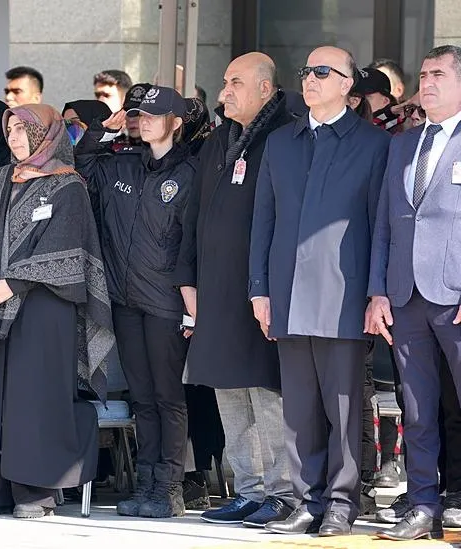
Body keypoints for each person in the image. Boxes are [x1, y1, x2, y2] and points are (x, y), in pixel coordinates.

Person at [250, 46, 390, 536]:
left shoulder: (373, 145)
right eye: (306, 71)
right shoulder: (281, 143)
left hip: (343, 294)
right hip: (286, 291)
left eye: (322, 71)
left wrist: (377, 291)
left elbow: (380, 226)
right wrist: (259, 290)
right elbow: (262, 220)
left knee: (344, 405)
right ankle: (307, 499)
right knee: (298, 407)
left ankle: (341, 502)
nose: (309, 78)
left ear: (348, 83)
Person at [0, 103, 115, 520]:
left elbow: (66, 243)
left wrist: (15, 282)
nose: (14, 137)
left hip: (44, 308)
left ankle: (34, 492)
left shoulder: (68, 186)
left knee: (34, 398)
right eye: (10, 130)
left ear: (46, 134)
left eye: (23, 130)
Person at [175, 52, 296, 528]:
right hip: (214, 290)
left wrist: (267, 287)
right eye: (225, 82)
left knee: (268, 393)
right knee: (228, 388)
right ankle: (248, 490)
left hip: (260, 290)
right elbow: (193, 217)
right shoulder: (217, 140)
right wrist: (187, 280)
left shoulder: (285, 137)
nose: (224, 91)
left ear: (265, 89)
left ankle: (282, 492)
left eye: (236, 83)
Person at [76, 86, 193, 518]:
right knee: (142, 397)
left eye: (154, 114)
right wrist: (99, 130)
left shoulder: (190, 173)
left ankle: (169, 488)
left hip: (165, 301)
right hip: (124, 300)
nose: (144, 120)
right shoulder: (120, 164)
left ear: (176, 122)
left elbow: (191, 242)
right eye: (140, 114)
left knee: (168, 397)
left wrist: (189, 300)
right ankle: (144, 483)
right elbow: (79, 165)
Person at [366, 44, 461, 542]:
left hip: (455, 295)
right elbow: (386, 223)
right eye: (423, 74)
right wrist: (378, 291)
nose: (427, 82)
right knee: (419, 410)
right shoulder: (402, 145)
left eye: (439, 74)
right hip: (406, 298)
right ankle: (424, 504)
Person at [354, 67, 405, 134]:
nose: (355, 101)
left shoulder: (392, 137)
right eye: (353, 95)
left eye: (366, 97)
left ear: (385, 101)